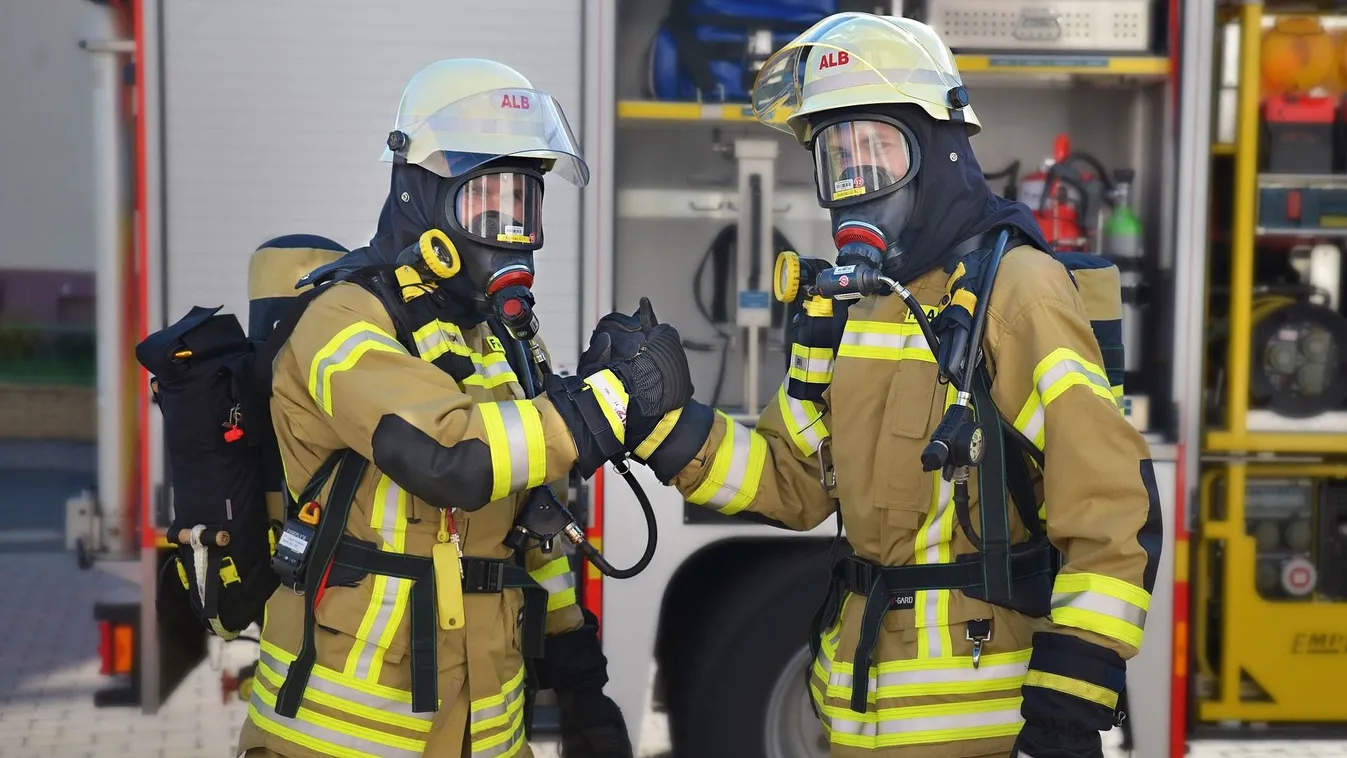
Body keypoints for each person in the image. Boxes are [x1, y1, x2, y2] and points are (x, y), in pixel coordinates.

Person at [585, 13, 1163, 758]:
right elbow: (792, 480)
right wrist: (664, 422)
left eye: (876, 152)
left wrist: (1066, 711)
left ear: (942, 151)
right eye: (837, 159)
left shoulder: (1018, 293)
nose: (855, 183)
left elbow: (1110, 509)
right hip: (855, 721)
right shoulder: (849, 306)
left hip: (985, 728)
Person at [237, 58, 693, 758]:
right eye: (486, 201)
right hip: (346, 735)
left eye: (524, 204)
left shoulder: (495, 340)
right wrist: (603, 406)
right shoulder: (345, 319)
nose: (508, 227)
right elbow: (448, 457)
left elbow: (532, 522)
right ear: (420, 197)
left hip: (487, 731)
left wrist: (579, 684)